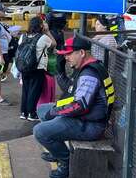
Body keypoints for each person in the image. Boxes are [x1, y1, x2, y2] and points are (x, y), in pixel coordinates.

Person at [33, 36, 115, 178]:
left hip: (91, 125)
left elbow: (79, 106)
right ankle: (57, 151)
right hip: (85, 118)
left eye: (69, 54)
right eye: (65, 55)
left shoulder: (89, 73)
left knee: (39, 131)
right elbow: (70, 90)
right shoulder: (86, 66)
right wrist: (60, 72)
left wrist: (56, 112)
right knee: (41, 109)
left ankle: (65, 162)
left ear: (82, 52)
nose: (66, 58)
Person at [17, 17, 56, 121]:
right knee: (34, 91)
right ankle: (31, 114)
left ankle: (23, 112)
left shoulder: (23, 36)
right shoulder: (43, 37)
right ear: (40, 26)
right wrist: (47, 31)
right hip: (37, 68)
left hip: (24, 67)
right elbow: (54, 44)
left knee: (26, 90)